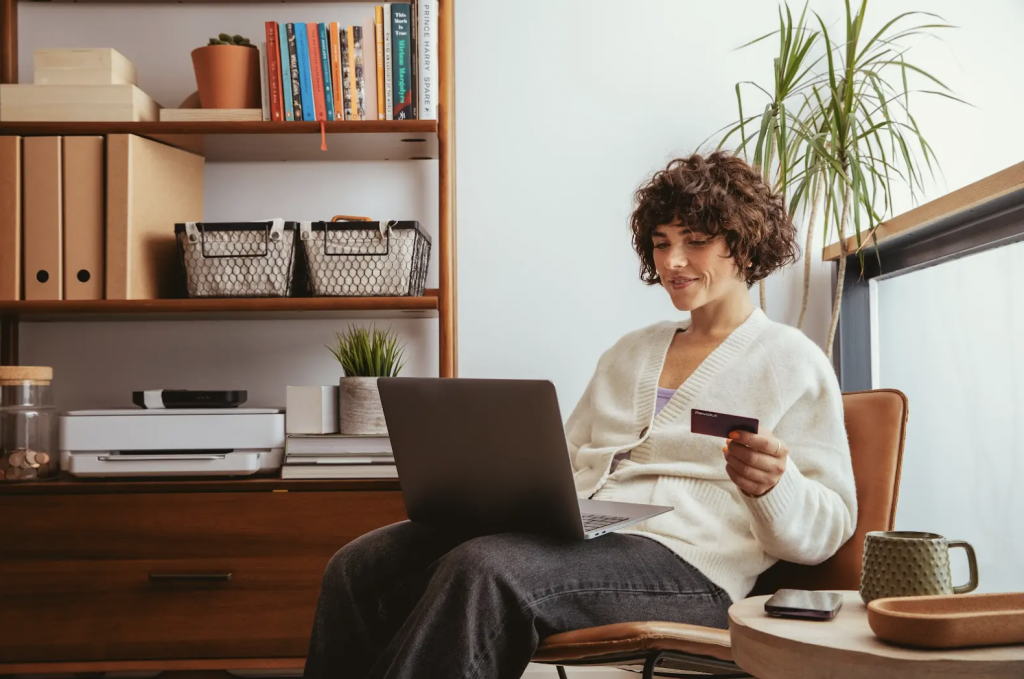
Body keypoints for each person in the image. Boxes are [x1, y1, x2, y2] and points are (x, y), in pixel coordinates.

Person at [303, 151, 858, 679]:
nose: (673, 262)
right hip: (582, 536)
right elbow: (563, 462)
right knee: (362, 563)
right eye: (661, 243)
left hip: (691, 567)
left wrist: (774, 487)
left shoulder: (792, 362)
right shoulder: (628, 353)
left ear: (744, 242)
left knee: (486, 569)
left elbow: (831, 523)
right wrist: (500, 495)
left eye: (695, 242)